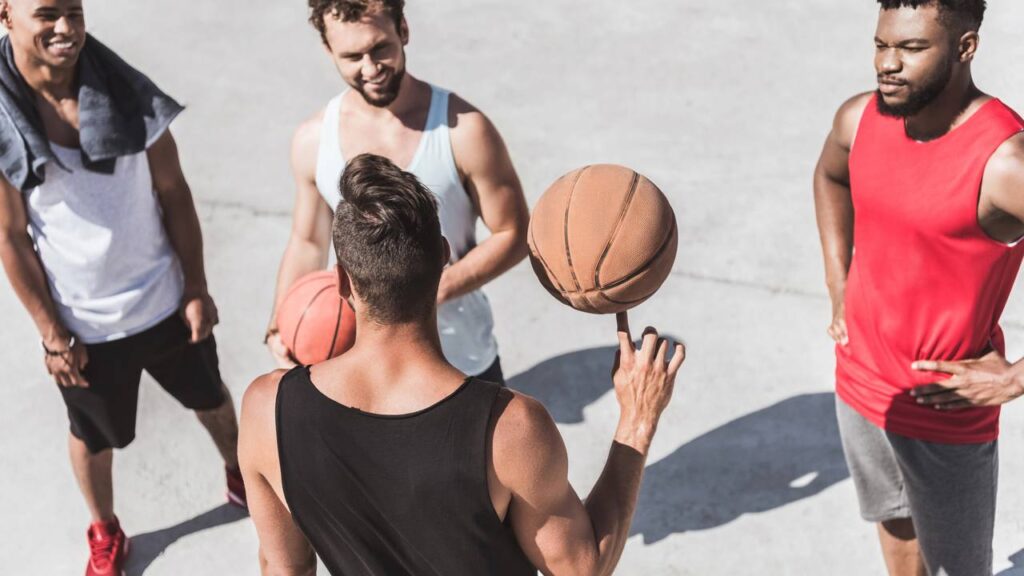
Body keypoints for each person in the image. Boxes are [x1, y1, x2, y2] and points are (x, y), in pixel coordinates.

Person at [240, 154, 685, 575]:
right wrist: (637, 422)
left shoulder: (265, 410)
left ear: (339, 282)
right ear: (444, 257)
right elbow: (582, 567)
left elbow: (284, 568)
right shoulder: (511, 430)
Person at [0, 1, 245, 574]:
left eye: (75, 11)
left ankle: (239, 473)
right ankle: (106, 529)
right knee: (92, 438)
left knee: (211, 399)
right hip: (83, 325)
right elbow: (10, 238)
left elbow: (174, 191)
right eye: (47, 14)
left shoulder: (128, 93)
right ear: (6, 13)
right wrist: (52, 335)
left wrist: (196, 286)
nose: (66, 28)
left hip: (163, 299)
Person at [813, 1, 1024, 574]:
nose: (888, 63)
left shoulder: (1005, 163)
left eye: (910, 49)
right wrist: (840, 280)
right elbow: (831, 175)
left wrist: (1017, 375)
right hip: (860, 384)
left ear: (965, 48)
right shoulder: (860, 120)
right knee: (894, 523)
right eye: (882, 45)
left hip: (944, 410)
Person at [264, 0, 529, 384]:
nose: (370, 69)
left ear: (403, 29)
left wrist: (428, 289)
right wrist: (282, 323)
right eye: (352, 56)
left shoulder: (464, 131)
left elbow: (514, 233)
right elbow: (307, 242)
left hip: (459, 358)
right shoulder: (313, 140)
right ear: (328, 51)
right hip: (357, 372)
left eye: (380, 48)